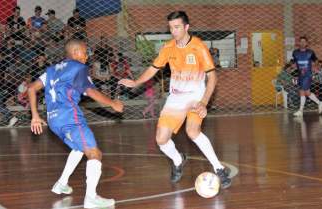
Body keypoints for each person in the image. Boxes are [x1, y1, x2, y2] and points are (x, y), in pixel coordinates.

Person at [119, 11, 231, 188]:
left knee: (192, 131)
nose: (174, 31)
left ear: (187, 27)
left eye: (177, 27)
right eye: (171, 27)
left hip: (196, 96)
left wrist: (204, 101)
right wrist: (135, 82)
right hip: (176, 98)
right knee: (161, 139)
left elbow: (213, 77)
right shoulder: (168, 48)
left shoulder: (198, 47)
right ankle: (178, 159)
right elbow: (153, 68)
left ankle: (219, 168)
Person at [28, 39, 123, 208]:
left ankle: (61, 183)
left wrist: (35, 115)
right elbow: (90, 91)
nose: (86, 57)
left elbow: (31, 88)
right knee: (94, 153)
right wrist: (112, 103)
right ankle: (91, 198)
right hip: (70, 117)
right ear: (76, 52)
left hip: (53, 119)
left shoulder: (51, 70)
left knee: (79, 148)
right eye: (85, 53)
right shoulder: (79, 68)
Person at [292, 36, 322, 117]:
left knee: (302, 91)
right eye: (301, 41)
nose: (302, 43)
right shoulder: (295, 52)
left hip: (308, 74)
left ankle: (300, 110)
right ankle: (320, 103)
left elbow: (316, 60)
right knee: (307, 92)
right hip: (300, 75)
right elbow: (295, 63)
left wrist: (315, 68)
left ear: (306, 43)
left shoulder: (310, 52)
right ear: (299, 42)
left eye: (304, 41)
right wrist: (295, 73)